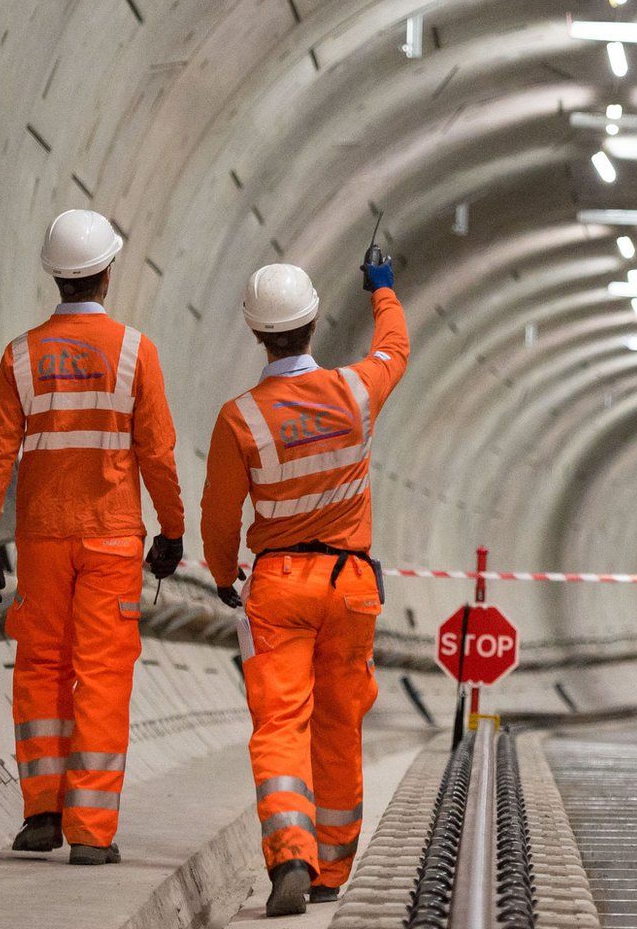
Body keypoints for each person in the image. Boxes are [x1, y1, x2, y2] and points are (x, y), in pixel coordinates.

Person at [0, 209, 187, 865]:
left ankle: (41, 815)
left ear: (55, 276)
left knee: (40, 669)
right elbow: (159, 453)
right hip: (112, 538)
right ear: (108, 272)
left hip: (40, 539)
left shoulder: (21, 355)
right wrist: (172, 531)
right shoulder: (133, 351)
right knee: (101, 676)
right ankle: (91, 832)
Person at [200, 255, 408, 916]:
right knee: (340, 723)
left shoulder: (241, 418)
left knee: (280, 725)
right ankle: (333, 866)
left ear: (257, 334)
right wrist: (383, 291)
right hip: (350, 586)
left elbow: (219, 513)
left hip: (279, 584)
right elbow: (395, 348)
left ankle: (292, 850)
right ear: (314, 322)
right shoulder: (355, 391)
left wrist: (220, 572)